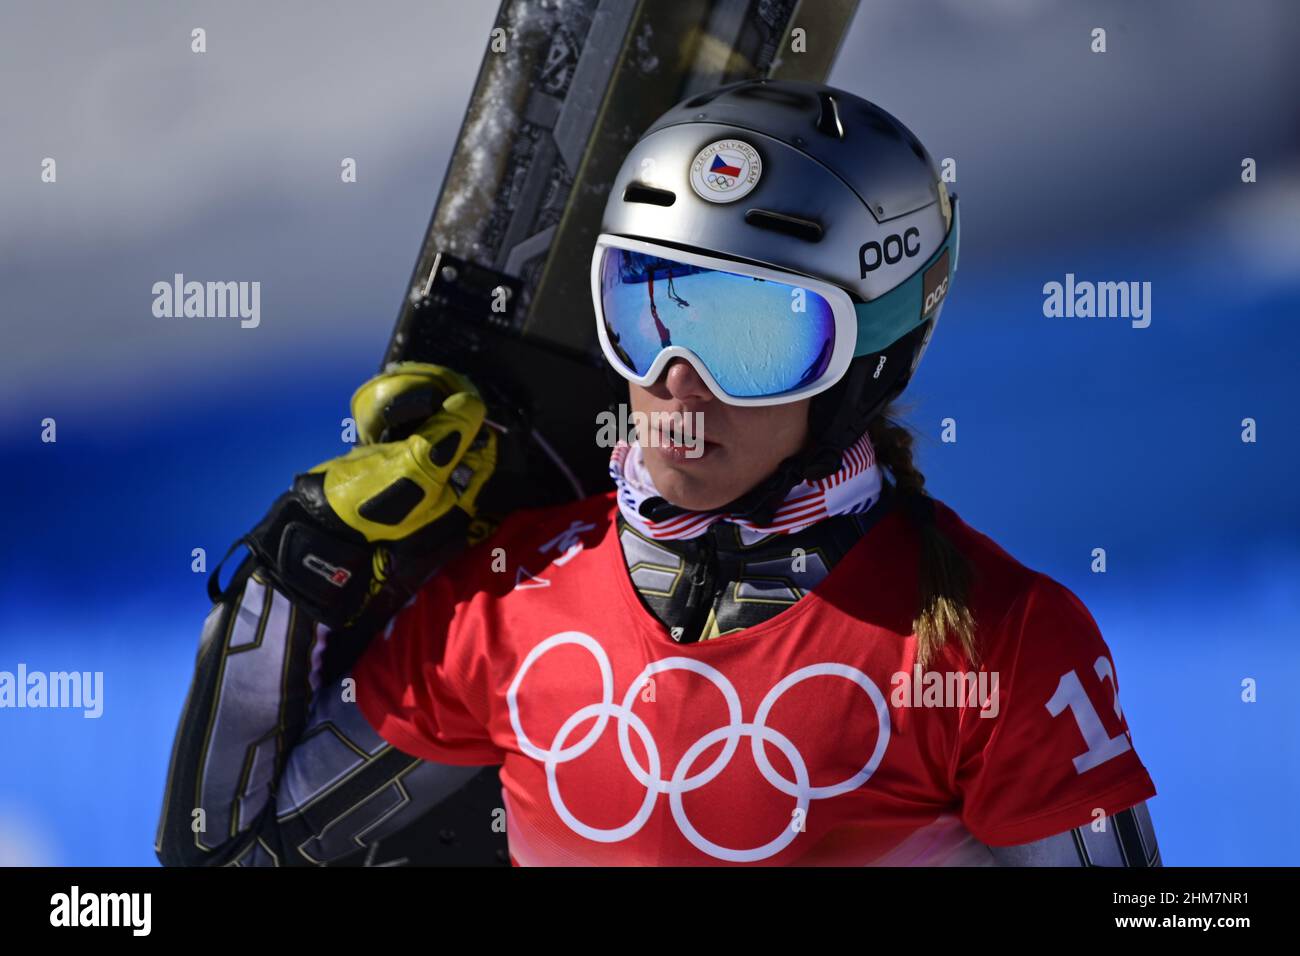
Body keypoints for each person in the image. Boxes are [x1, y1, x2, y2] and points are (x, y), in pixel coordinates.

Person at [155, 80, 1159, 867]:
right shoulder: (509, 601)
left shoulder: (993, 643)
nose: (678, 377)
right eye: (649, 304)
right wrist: (299, 571)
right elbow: (239, 850)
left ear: (867, 364)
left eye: (753, 332)